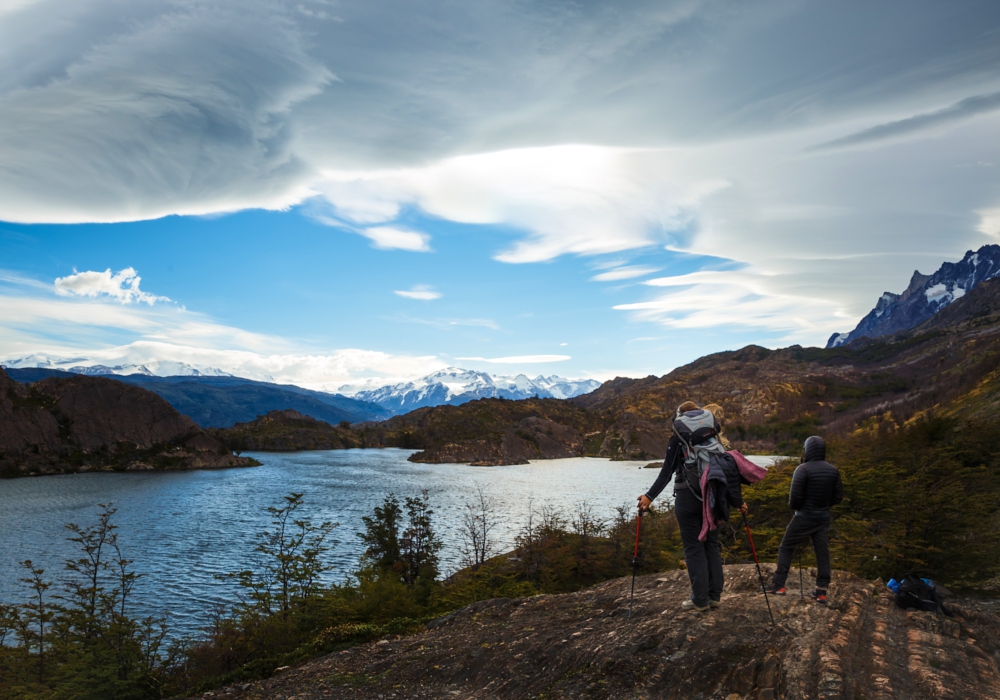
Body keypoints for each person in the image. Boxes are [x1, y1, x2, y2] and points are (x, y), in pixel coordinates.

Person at [638, 402, 747, 612]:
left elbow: (666, 472)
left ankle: (700, 599)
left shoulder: (678, 440)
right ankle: (715, 596)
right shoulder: (715, 440)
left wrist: (649, 497)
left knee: (694, 548)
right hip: (713, 498)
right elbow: (730, 473)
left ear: (680, 419)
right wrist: (737, 501)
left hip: (687, 498)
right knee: (711, 545)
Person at [764, 435, 843, 604]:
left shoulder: (802, 469)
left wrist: (801, 507)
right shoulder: (833, 470)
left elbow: (794, 499)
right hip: (823, 517)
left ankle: (779, 585)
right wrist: (823, 506)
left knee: (786, 547)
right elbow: (838, 497)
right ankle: (821, 591)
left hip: (804, 516)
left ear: (807, 450)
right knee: (822, 552)